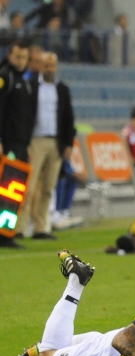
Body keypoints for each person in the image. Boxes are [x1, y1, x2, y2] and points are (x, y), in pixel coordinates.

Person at [16, 52, 75, 241]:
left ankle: (41, 227)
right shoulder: (32, 87)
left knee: (48, 188)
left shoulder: (62, 89)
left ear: (56, 67)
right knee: (28, 187)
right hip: (35, 141)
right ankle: (20, 227)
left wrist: (68, 143)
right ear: (40, 66)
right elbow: (24, 115)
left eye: (52, 66)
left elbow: (68, 117)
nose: (49, 69)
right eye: (45, 65)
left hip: (55, 142)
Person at [0, 39, 35, 249]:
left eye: (24, 57)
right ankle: (4, 234)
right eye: (17, 57)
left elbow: (26, 117)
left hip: (21, 144)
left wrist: (27, 144)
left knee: (15, 189)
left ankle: (7, 231)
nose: (20, 61)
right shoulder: (5, 78)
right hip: (9, 143)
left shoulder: (25, 80)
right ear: (10, 56)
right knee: (7, 188)